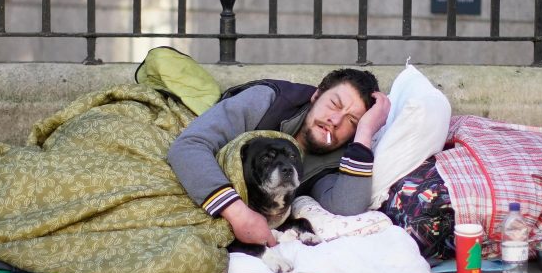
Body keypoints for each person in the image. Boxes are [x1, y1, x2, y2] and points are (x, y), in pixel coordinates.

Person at [167, 69, 391, 248]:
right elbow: (188, 146)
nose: (335, 120)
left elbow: (347, 206)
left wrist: (364, 134)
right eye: (334, 104)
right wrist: (237, 214)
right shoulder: (269, 101)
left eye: (352, 121)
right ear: (316, 95)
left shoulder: (336, 158)